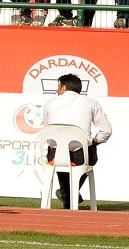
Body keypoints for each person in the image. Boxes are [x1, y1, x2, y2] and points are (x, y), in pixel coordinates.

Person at [42, 73, 112, 209]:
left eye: (58, 86)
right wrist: (94, 141)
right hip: (81, 156)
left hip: (55, 157)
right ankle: (68, 194)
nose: (57, 90)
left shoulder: (49, 103)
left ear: (63, 87)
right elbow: (106, 131)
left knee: (58, 148)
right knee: (89, 148)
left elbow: (47, 129)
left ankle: (66, 194)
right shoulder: (90, 102)